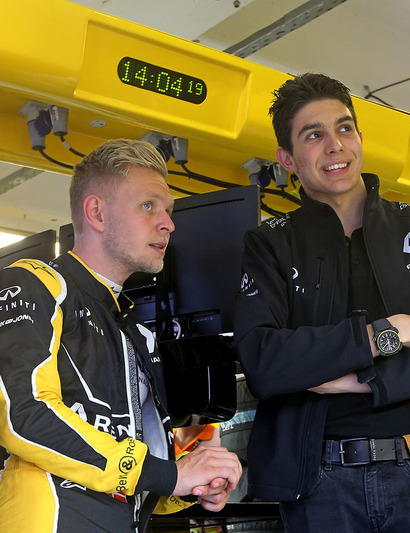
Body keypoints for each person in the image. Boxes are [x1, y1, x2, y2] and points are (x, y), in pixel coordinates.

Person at [234, 73, 410, 531]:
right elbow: (265, 363)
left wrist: (358, 380)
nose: (334, 145)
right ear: (287, 159)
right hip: (319, 486)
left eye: (344, 128)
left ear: (359, 137)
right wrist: (391, 331)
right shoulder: (268, 244)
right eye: (313, 135)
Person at [0, 139, 242, 531]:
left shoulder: (138, 335)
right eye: (148, 205)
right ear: (96, 212)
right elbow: (24, 414)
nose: (168, 222)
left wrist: (193, 484)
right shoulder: (34, 283)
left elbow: (137, 473)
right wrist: (172, 476)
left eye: (168, 209)